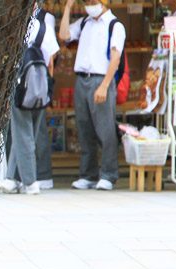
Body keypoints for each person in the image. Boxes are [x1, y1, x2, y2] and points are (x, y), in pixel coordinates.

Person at [59, 0, 125, 191]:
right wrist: (68, 8)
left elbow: (116, 58)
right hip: (82, 79)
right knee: (84, 127)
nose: (89, 4)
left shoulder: (115, 25)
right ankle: (88, 174)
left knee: (105, 129)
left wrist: (104, 85)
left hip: (101, 79)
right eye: (87, 1)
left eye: (93, 1)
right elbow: (64, 35)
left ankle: (108, 174)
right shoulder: (84, 23)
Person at [0, 2, 60, 195]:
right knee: (26, 132)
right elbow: (51, 61)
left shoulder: (17, 26)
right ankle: (11, 179)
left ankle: (30, 181)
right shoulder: (45, 27)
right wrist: (48, 88)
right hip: (39, 87)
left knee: (23, 133)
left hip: (21, 85)